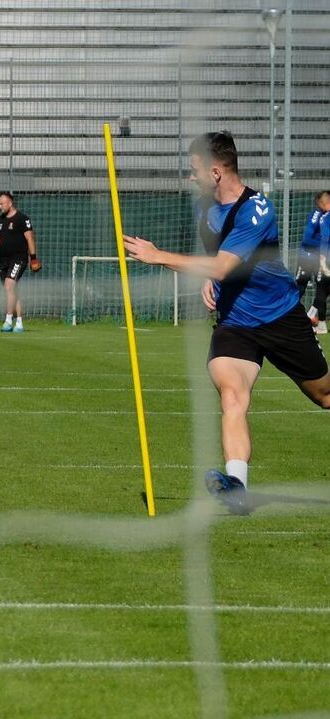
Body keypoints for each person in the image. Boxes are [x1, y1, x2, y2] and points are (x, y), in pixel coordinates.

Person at [124, 131, 330, 514]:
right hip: (235, 321)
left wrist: (158, 256)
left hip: (281, 317)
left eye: (195, 170)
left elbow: (223, 263)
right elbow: (219, 261)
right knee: (233, 397)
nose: (190, 178)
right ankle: (237, 488)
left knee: (324, 397)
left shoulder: (258, 209)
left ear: (217, 171)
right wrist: (210, 279)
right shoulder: (204, 206)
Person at [0, 192, 41, 332]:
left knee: (9, 285)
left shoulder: (22, 219)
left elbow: (30, 238)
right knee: (10, 291)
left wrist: (33, 258)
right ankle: (19, 323)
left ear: (10, 203)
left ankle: (8, 320)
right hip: (4, 259)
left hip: (19, 258)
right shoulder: (0, 221)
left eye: (1, 203)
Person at [293, 190, 330, 334]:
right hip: (308, 257)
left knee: (324, 288)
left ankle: (313, 316)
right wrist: (322, 245)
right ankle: (288, 317)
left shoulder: (326, 216)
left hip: (321, 258)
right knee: (300, 287)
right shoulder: (317, 215)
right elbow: (307, 238)